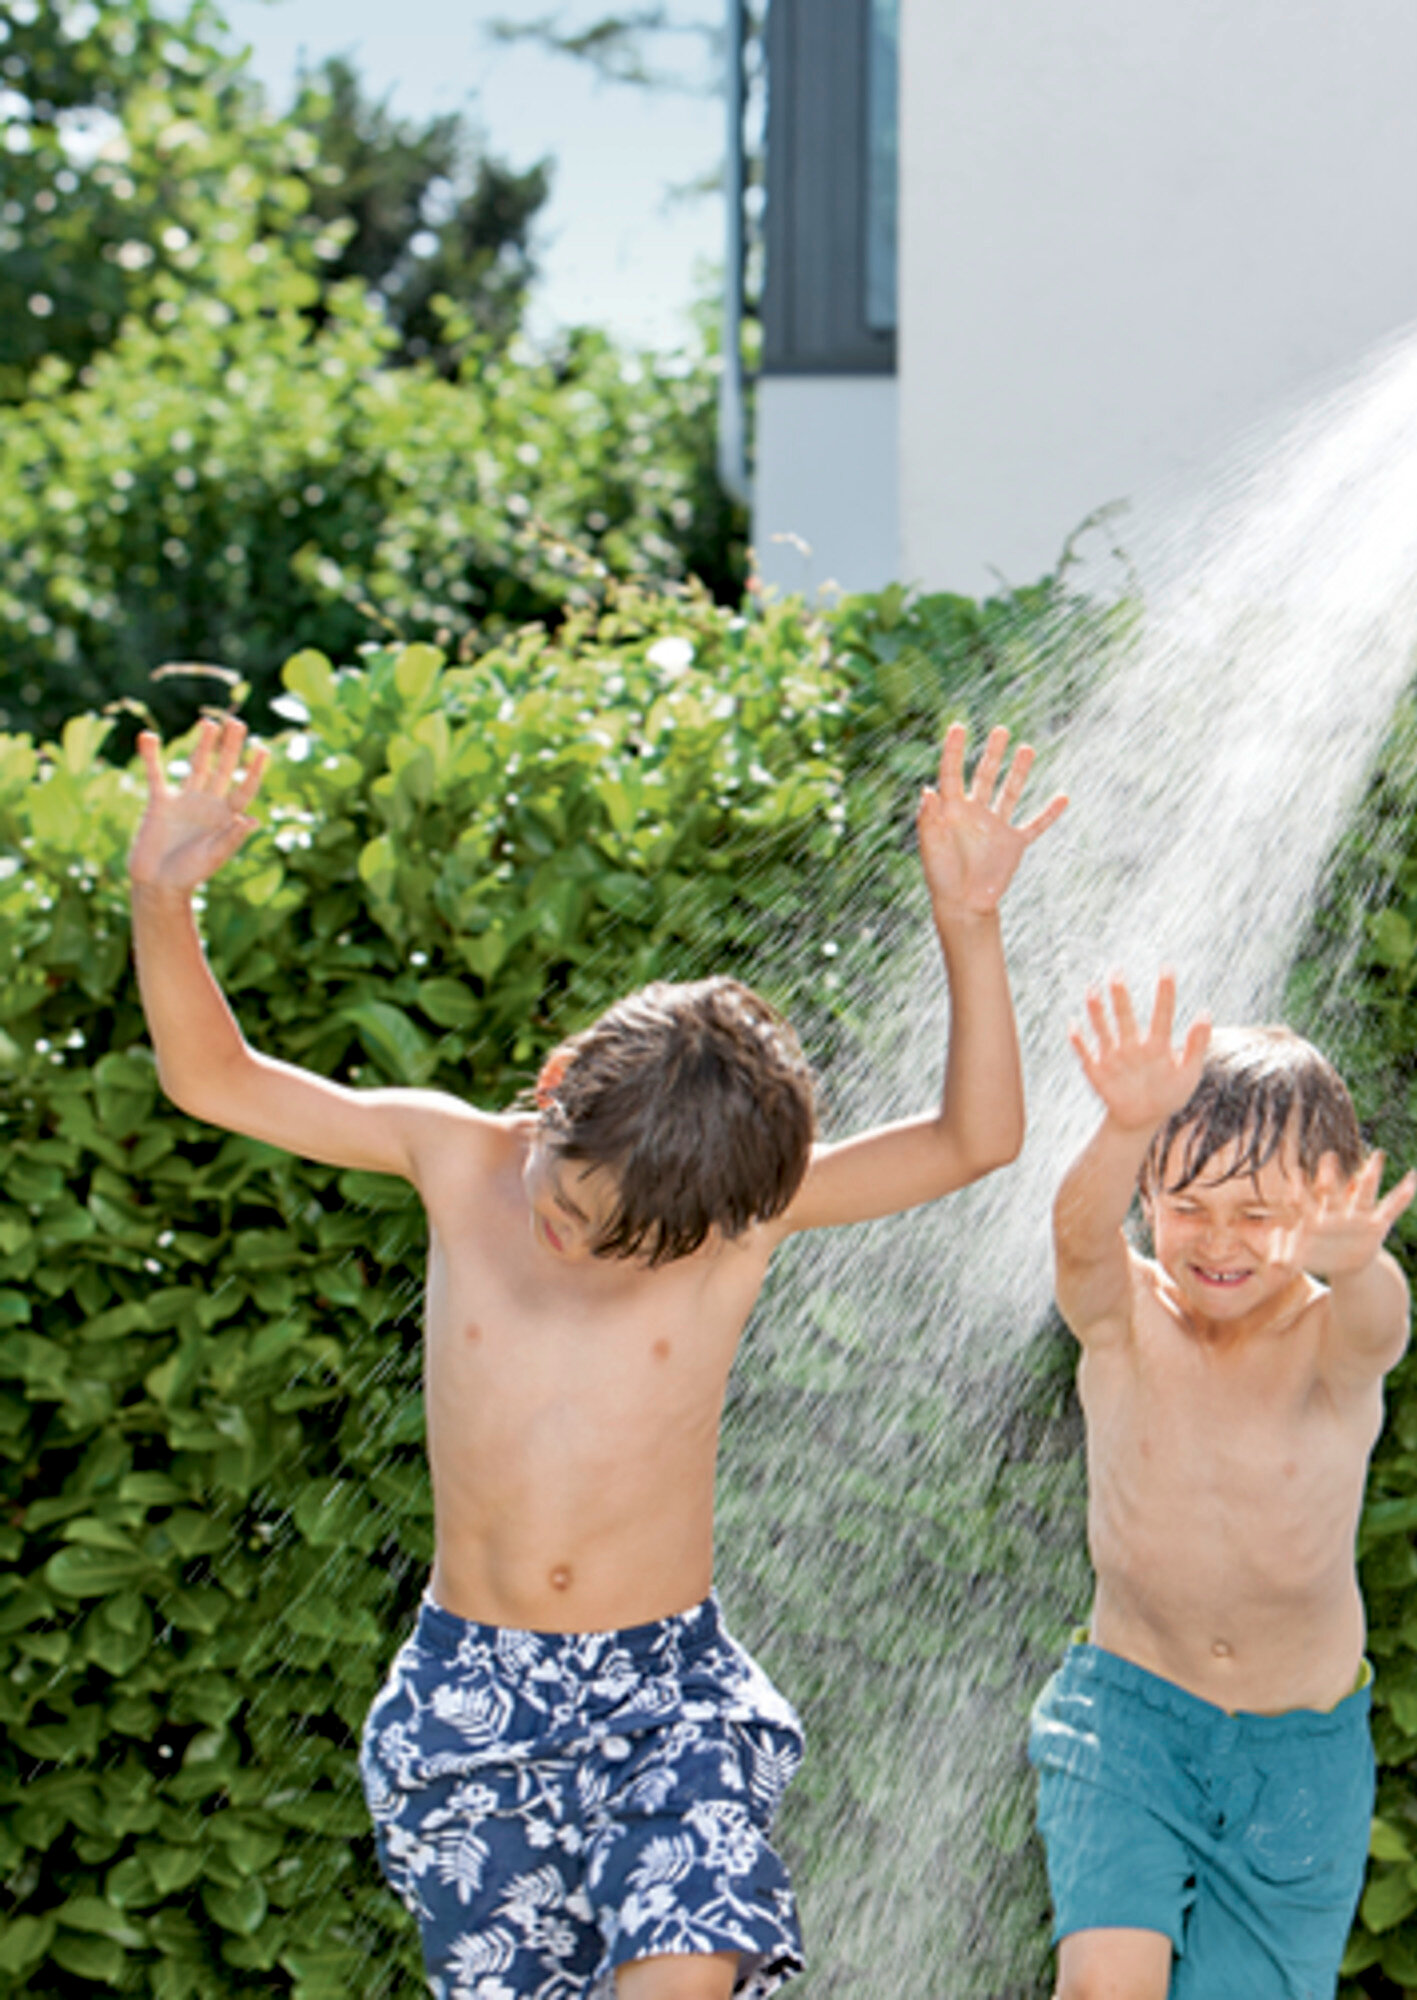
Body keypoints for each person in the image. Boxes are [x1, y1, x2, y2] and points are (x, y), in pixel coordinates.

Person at [127, 711, 1066, 2000]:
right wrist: (161, 894)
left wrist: (968, 921)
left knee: (679, 1970)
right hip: (473, 1695)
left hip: (662, 1691)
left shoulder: (740, 1223)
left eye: (630, 1247)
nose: (573, 1245)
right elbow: (213, 1077)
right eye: (567, 1207)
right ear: (558, 1080)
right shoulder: (452, 1155)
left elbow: (975, 1139)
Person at [1029, 971, 1417, 2000]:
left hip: (1299, 1759)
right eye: (1187, 1204)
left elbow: (1380, 1326)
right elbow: (1076, 1240)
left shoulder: (1329, 1341)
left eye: (1259, 1213)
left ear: (1322, 1205)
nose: (1216, 1238)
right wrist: (1123, 1124)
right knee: (1104, 1985)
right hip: (1126, 1717)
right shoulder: (1128, 1318)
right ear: (1148, 1197)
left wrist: (1356, 1264)